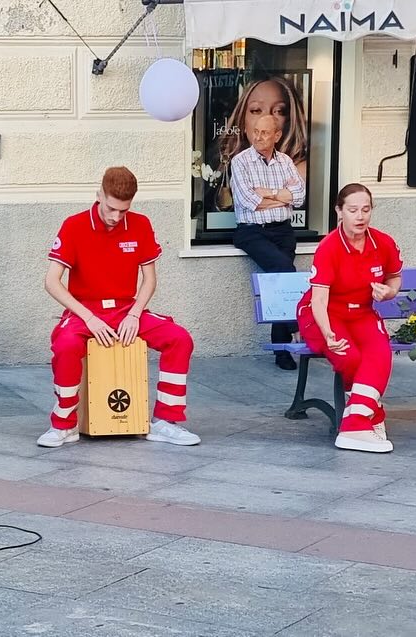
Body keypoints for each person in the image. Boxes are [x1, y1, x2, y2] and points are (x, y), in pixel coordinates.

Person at [41, 166, 199, 448]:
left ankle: (166, 422)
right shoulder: (74, 225)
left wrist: (135, 314)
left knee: (179, 338)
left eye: (123, 211)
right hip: (85, 310)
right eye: (111, 208)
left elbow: (149, 279)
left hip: (127, 309)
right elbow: (52, 282)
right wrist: (89, 318)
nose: (116, 217)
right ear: (99, 194)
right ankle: (64, 424)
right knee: (65, 344)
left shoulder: (140, 224)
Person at [296, 183, 402, 453]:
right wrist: (328, 333)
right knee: (350, 357)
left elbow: (394, 277)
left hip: (362, 312)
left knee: (380, 354)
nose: (360, 216)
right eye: (353, 210)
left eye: (365, 209)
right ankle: (370, 416)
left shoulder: (383, 242)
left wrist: (388, 292)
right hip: (325, 313)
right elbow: (319, 299)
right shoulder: (329, 246)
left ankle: (354, 425)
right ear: (339, 211)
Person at [230, 114, 306, 370]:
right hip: (252, 231)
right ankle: (297, 328)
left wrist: (271, 194)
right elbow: (249, 202)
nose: (258, 137)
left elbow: (300, 196)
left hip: (283, 230)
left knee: (280, 278)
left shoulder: (285, 162)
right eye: (256, 131)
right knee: (285, 273)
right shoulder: (240, 162)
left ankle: (281, 350)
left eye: (265, 133)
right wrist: (283, 197)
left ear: (277, 136)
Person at [220, 76, 309, 183]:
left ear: (292, 120)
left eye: (279, 111)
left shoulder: (300, 173)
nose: (266, 118)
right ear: (242, 121)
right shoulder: (229, 168)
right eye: (256, 110)